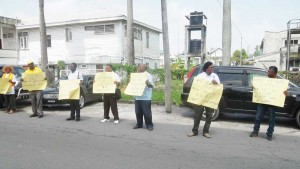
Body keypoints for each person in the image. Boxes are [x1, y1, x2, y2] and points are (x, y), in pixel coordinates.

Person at [249, 66, 287, 141]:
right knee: (258, 117)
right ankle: (255, 131)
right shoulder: (263, 81)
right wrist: (253, 87)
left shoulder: (280, 83)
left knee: (271, 119)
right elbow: (255, 89)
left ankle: (269, 134)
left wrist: (285, 93)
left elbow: (284, 93)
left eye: (270, 72)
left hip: (272, 103)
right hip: (262, 102)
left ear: (275, 73)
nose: (268, 73)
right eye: (268, 71)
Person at [187, 61, 220, 138]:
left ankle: (206, 131)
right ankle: (194, 131)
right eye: (211, 67)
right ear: (207, 68)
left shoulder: (215, 76)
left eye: (213, 67)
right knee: (197, 115)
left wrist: (216, 83)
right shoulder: (200, 76)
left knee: (209, 116)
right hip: (200, 99)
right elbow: (195, 85)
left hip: (209, 100)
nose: (212, 68)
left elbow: (219, 87)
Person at [133, 64, 154, 131]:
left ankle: (149, 125)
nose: (140, 68)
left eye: (141, 67)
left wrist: (147, 83)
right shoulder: (135, 75)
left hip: (145, 97)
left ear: (145, 68)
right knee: (138, 112)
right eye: (139, 67)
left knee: (147, 112)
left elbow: (152, 86)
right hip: (137, 97)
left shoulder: (148, 75)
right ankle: (139, 124)